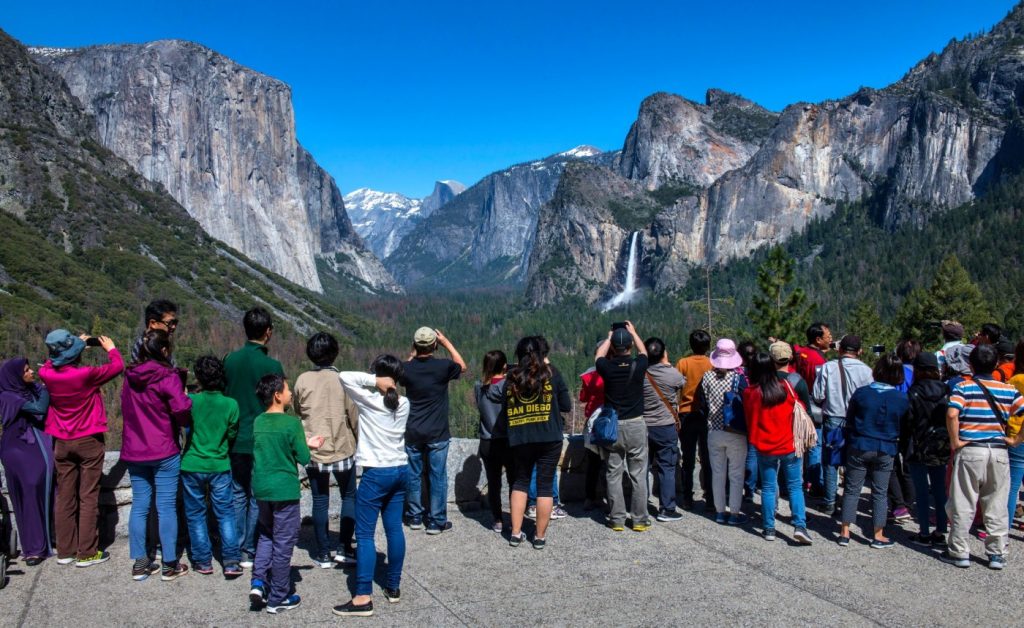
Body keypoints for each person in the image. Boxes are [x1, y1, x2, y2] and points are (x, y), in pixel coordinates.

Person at [333, 356, 410, 617]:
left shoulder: (371, 401)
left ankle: (363, 596)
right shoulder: (404, 403)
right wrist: (385, 382)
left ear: (380, 375)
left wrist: (374, 381)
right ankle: (393, 587)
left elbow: (344, 376)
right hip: (401, 470)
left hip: (376, 473)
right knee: (394, 529)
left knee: (364, 535)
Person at [39, 329, 123, 567]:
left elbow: (49, 362)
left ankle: (65, 550)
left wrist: (70, 348)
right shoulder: (85, 374)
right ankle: (87, 552)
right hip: (88, 439)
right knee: (88, 496)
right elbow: (117, 367)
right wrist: (111, 349)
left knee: (65, 496)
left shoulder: (47, 374)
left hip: (61, 442)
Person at [942, 344, 1024, 570]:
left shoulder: (964, 387)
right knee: (996, 504)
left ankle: (959, 551)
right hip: (998, 451)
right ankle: (996, 553)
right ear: (996, 363)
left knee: (963, 502)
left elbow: (952, 413)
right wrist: (1016, 440)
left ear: (971, 365)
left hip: (970, 450)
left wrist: (955, 440)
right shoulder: (1008, 389)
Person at [121, 330, 192, 581]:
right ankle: (169, 564)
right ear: (163, 351)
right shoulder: (167, 376)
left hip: (134, 448)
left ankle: (140, 563)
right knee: (165, 507)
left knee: (140, 505)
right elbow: (182, 408)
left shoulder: (129, 376)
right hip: (163, 448)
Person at [248, 374, 322, 613]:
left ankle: (258, 582)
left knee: (266, 535)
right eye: (288, 390)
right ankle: (279, 596)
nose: (291, 393)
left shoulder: (258, 421)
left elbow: (272, 445)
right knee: (283, 542)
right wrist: (310, 443)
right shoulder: (291, 424)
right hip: (284, 490)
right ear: (278, 395)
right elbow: (303, 457)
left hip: (262, 488)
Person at [224, 307, 284, 568]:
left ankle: (236, 547)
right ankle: (250, 546)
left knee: (237, 493)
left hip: (235, 437)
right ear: (268, 332)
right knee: (257, 494)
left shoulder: (229, 361)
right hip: (263, 438)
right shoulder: (272, 366)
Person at [293, 332, 359, 568]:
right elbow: (354, 415)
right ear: (335, 352)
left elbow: (298, 410)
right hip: (342, 445)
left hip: (314, 447)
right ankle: (344, 547)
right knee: (349, 496)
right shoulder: (343, 379)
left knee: (320, 500)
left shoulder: (302, 380)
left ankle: (322, 553)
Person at [837, 354, 909, 549]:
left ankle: (844, 532)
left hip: (860, 444)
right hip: (886, 446)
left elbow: (849, 419)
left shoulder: (861, 393)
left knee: (852, 488)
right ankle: (878, 534)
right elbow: (905, 425)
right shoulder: (901, 398)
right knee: (880, 491)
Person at [506, 336, 571, 549]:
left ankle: (516, 533)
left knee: (520, 483)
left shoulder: (512, 377)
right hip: (549, 436)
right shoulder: (552, 374)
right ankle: (540, 536)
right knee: (544, 486)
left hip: (520, 436)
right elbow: (566, 406)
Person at [400, 327, 467, 535]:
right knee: (437, 476)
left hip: (412, 430)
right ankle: (436, 521)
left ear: (415, 345)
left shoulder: (406, 369)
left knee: (413, 475)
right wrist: (446, 341)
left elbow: (403, 368)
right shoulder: (442, 367)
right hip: (437, 431)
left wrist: (412, 353)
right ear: (434, 346)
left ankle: (414, 517)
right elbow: (462, 366)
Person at [180, 355, 242, 578]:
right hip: (219, 463)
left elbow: (184, 426)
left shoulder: (192, 402)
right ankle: (232, 561)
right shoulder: (231, 404)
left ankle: (203, 560)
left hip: (193, 463)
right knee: (225, 513)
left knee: (196, 514)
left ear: (199, 377)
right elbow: (232, 433)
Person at [744, 352, 812, 544]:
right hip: (788, 444)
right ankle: (800, 525)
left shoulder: (750, 393)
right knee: (795, 486)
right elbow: (799, 408)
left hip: (764, 446)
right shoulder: (785, 387)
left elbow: (750, 420)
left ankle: (769, 528)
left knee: (768, 487)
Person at [596, 321, 649, 531]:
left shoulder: (606, 367)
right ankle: (639, 519)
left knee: (613, 473)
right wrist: (634, 332)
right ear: (629, 346)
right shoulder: (639, 365)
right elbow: (644, 351)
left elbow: (598, 356)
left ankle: (617, 518)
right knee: (638, 474)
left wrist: (609, 338)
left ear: (613, 348)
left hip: (614, 426)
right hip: (636, 424)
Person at [813, 335, 873, 516]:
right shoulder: (867, 371)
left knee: (831, 462)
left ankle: (830, 501)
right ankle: (849, 501)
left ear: (840, 350)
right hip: (857, 421)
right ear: (859, 351)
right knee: (854, 462)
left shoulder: (828, 367)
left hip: (833, 418)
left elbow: (817, 394)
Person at [0, 358, 52, 565]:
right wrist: (47, 386)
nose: (31, 372)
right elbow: (39, 408)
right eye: (26, 371)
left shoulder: (26, 390)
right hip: (18, 449)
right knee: (28, 492)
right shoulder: (8, 397)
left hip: (32, 447)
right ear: (15, 377)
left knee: (39, 491)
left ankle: (44, 539)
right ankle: (33, 547)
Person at [901, 352, 950, 547]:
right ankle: (940, 531)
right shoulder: (946, 389)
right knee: (939, 491)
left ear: (918, 370)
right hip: (940, 445)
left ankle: (923, 532)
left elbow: (908, 422)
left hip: (918, 446)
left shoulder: (913, 392)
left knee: (921, 492)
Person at [697, 339, 748, 525]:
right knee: (736, 473)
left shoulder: (707, 377)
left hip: (714, 430)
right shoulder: (739, 379)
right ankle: (734, 512)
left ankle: (719, 511)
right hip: (736, 430)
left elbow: (702, 406)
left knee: (717, 473)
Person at [642, 337, 685, 522]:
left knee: (641, 467)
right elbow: (682, 383)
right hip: (666, 425)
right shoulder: (673, 374)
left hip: (643, 425)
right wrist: (666, 364)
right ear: (664, 353)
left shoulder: (640, 373)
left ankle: (640, 505)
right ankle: (667, 508)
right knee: (667, 467)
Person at [676, 329, 715, 511]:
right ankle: (710, 497)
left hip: (686, 413)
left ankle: (687, 497)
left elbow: (676, 385)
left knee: (688, 457)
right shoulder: (711, 363)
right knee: (707, 458)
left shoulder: (683, 363)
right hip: (706, 415)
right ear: (708, 346)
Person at [474, 350, 513, 532]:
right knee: (515, 482)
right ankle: (515, 518)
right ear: (505, 366)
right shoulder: (510, 387)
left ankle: (497, 519)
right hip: (509, 440)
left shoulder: (478, 388)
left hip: (487, 440)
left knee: (493, 482)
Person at [793, 322, 832, 496]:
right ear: (818, 339)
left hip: (799, 402)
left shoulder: (801, 352)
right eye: (828, 336)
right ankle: (815, 483)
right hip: (815, 404)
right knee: (816, 445)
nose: (830, 338)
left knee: (803, 443)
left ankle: (804, 480)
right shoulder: (817, 360)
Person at [579, 359, 606, 511]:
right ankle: (610, 499)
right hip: (612, 421)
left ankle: (589, 498)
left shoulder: (590, 374)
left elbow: (583, 397)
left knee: (593, 463)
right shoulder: (617, 369)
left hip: (594, 422)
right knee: (611, 464)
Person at [131, 299, 179, 364]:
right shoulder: (143, 348)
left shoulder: (163, 344)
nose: (173, 327)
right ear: (153, 323)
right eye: (170, 323)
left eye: (175, 322)